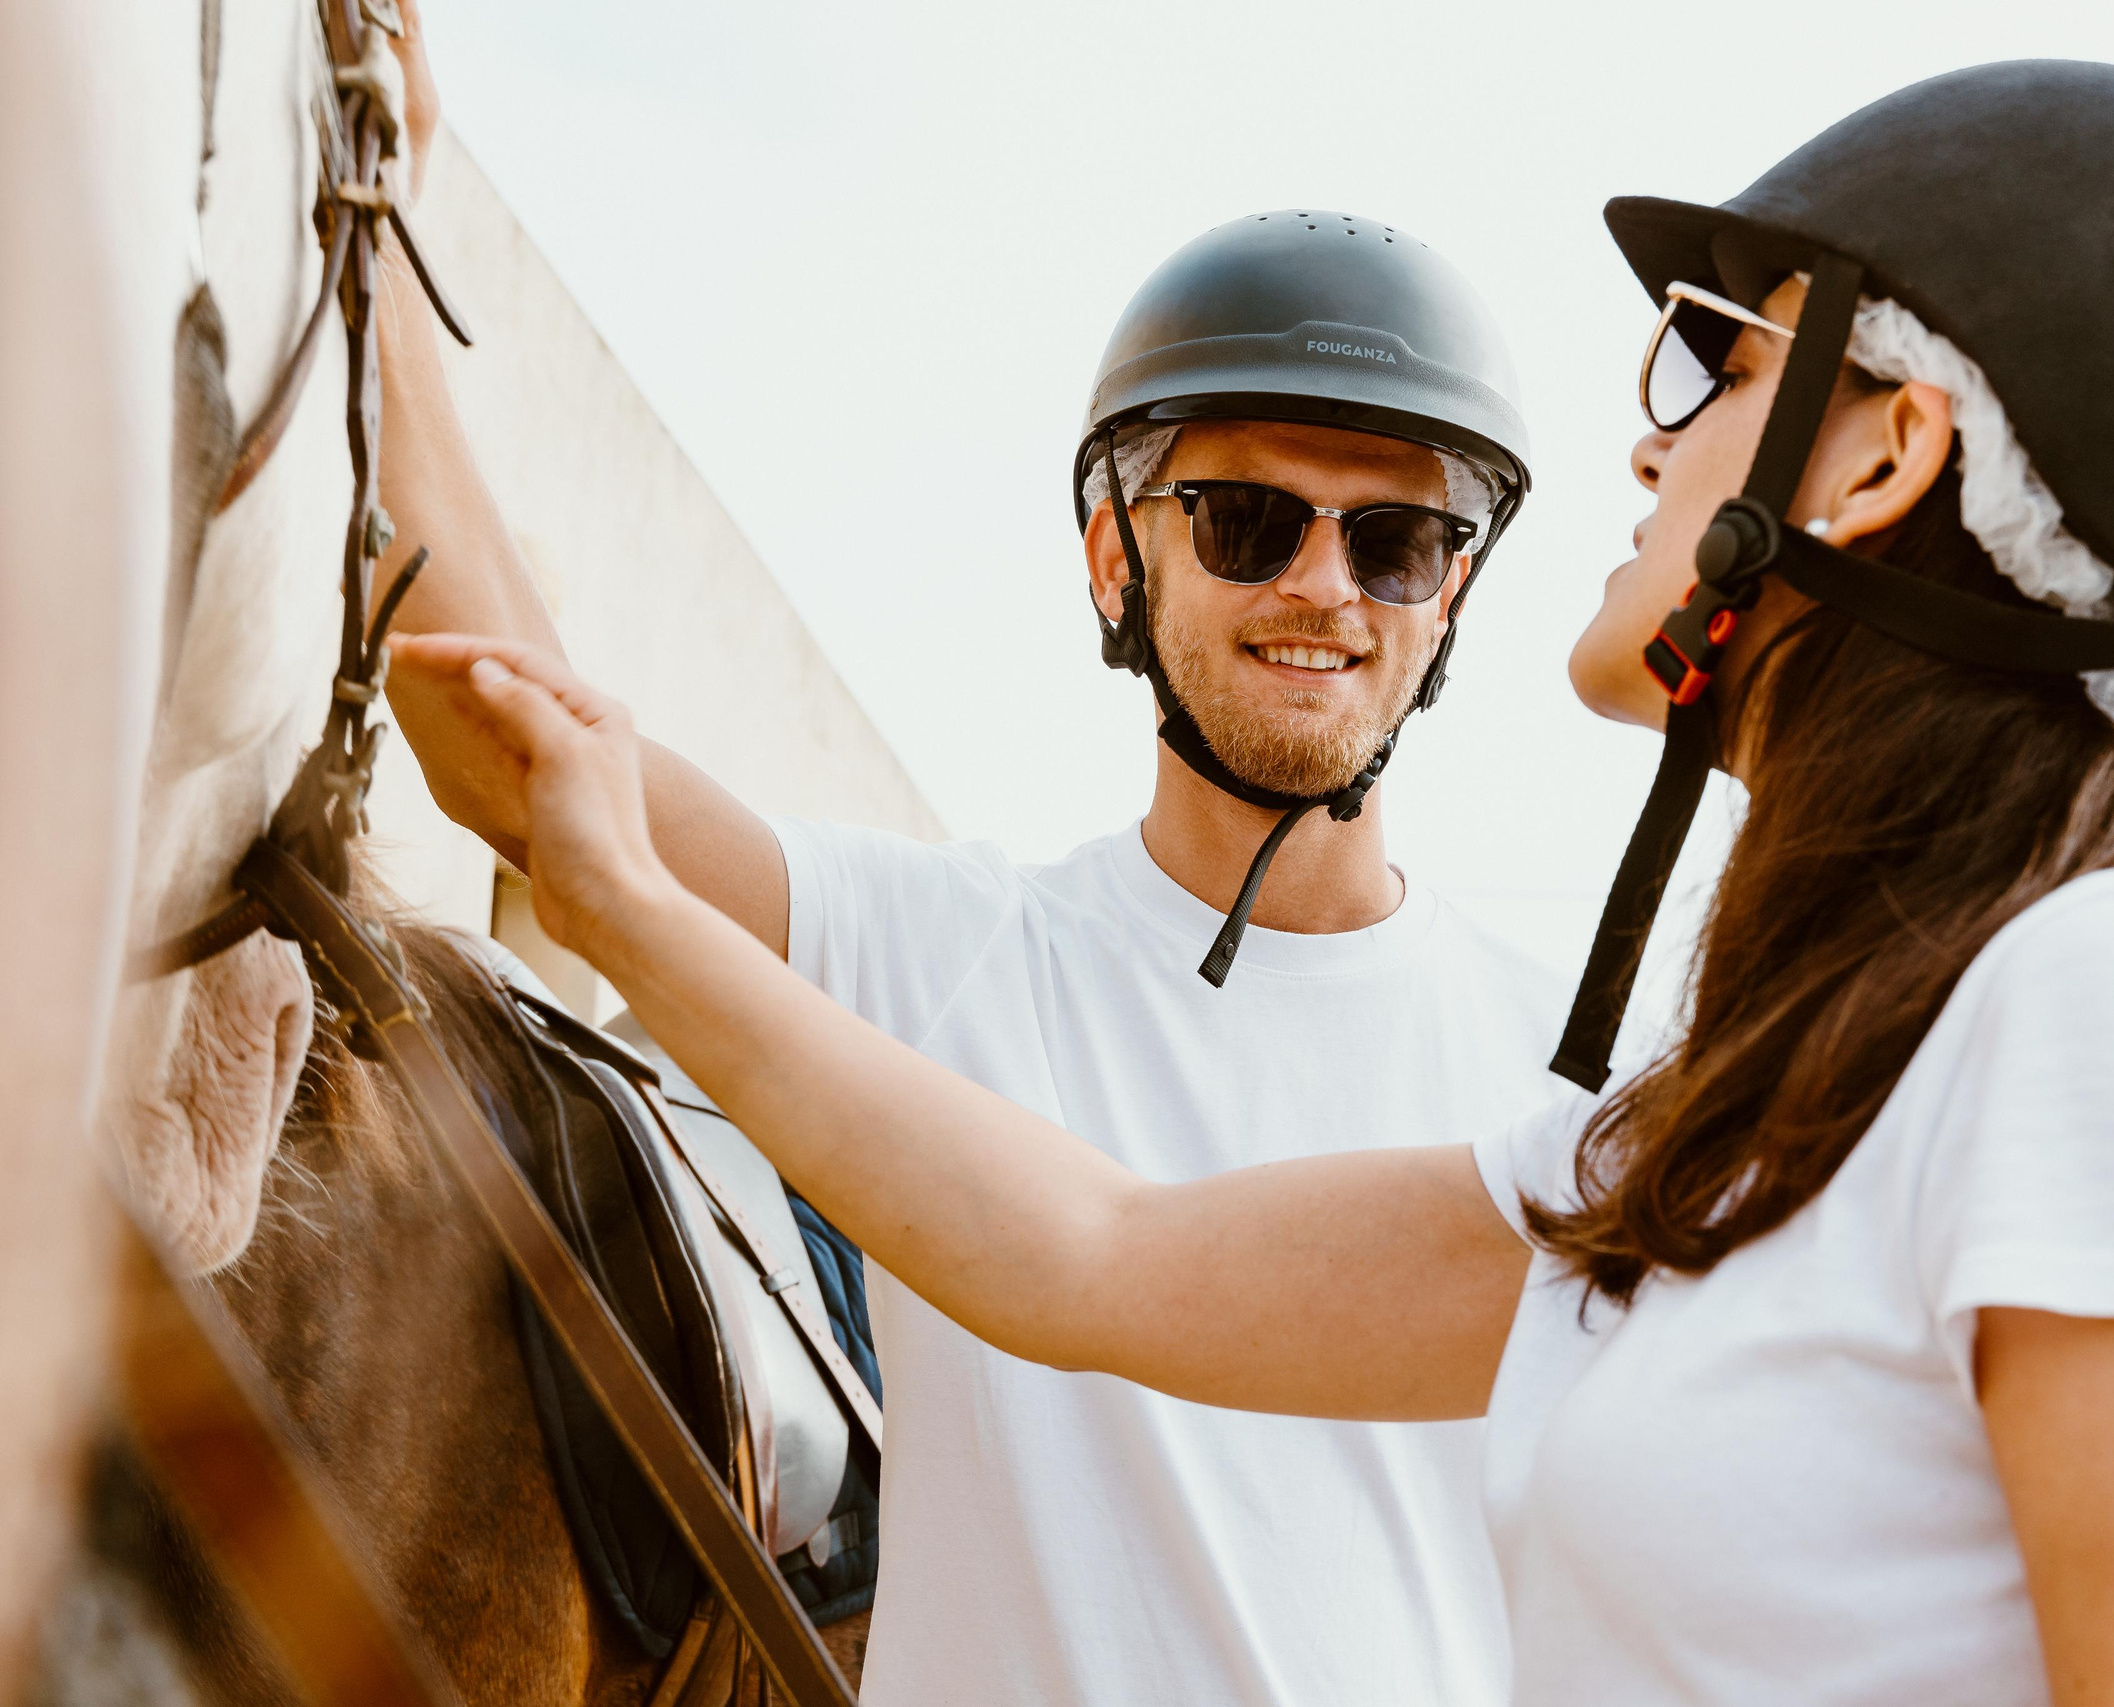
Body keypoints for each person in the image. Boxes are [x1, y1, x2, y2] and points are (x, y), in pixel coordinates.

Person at [398, 60, 2114, 1707]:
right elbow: (1095, 1254)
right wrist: (619, 892)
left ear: (1876, 459)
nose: (1643, 444)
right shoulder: (1751, 1116)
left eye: (1708, 361)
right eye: (1243, 519)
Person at [371, 15, 1560, 1703]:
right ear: (1112, 555)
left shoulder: (1582, 1058)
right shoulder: (940, 948)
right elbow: (523, 745)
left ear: (1453, 595)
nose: (1325, 589)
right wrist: (382, 182)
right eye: (1245, 519)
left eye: (1398, 541)